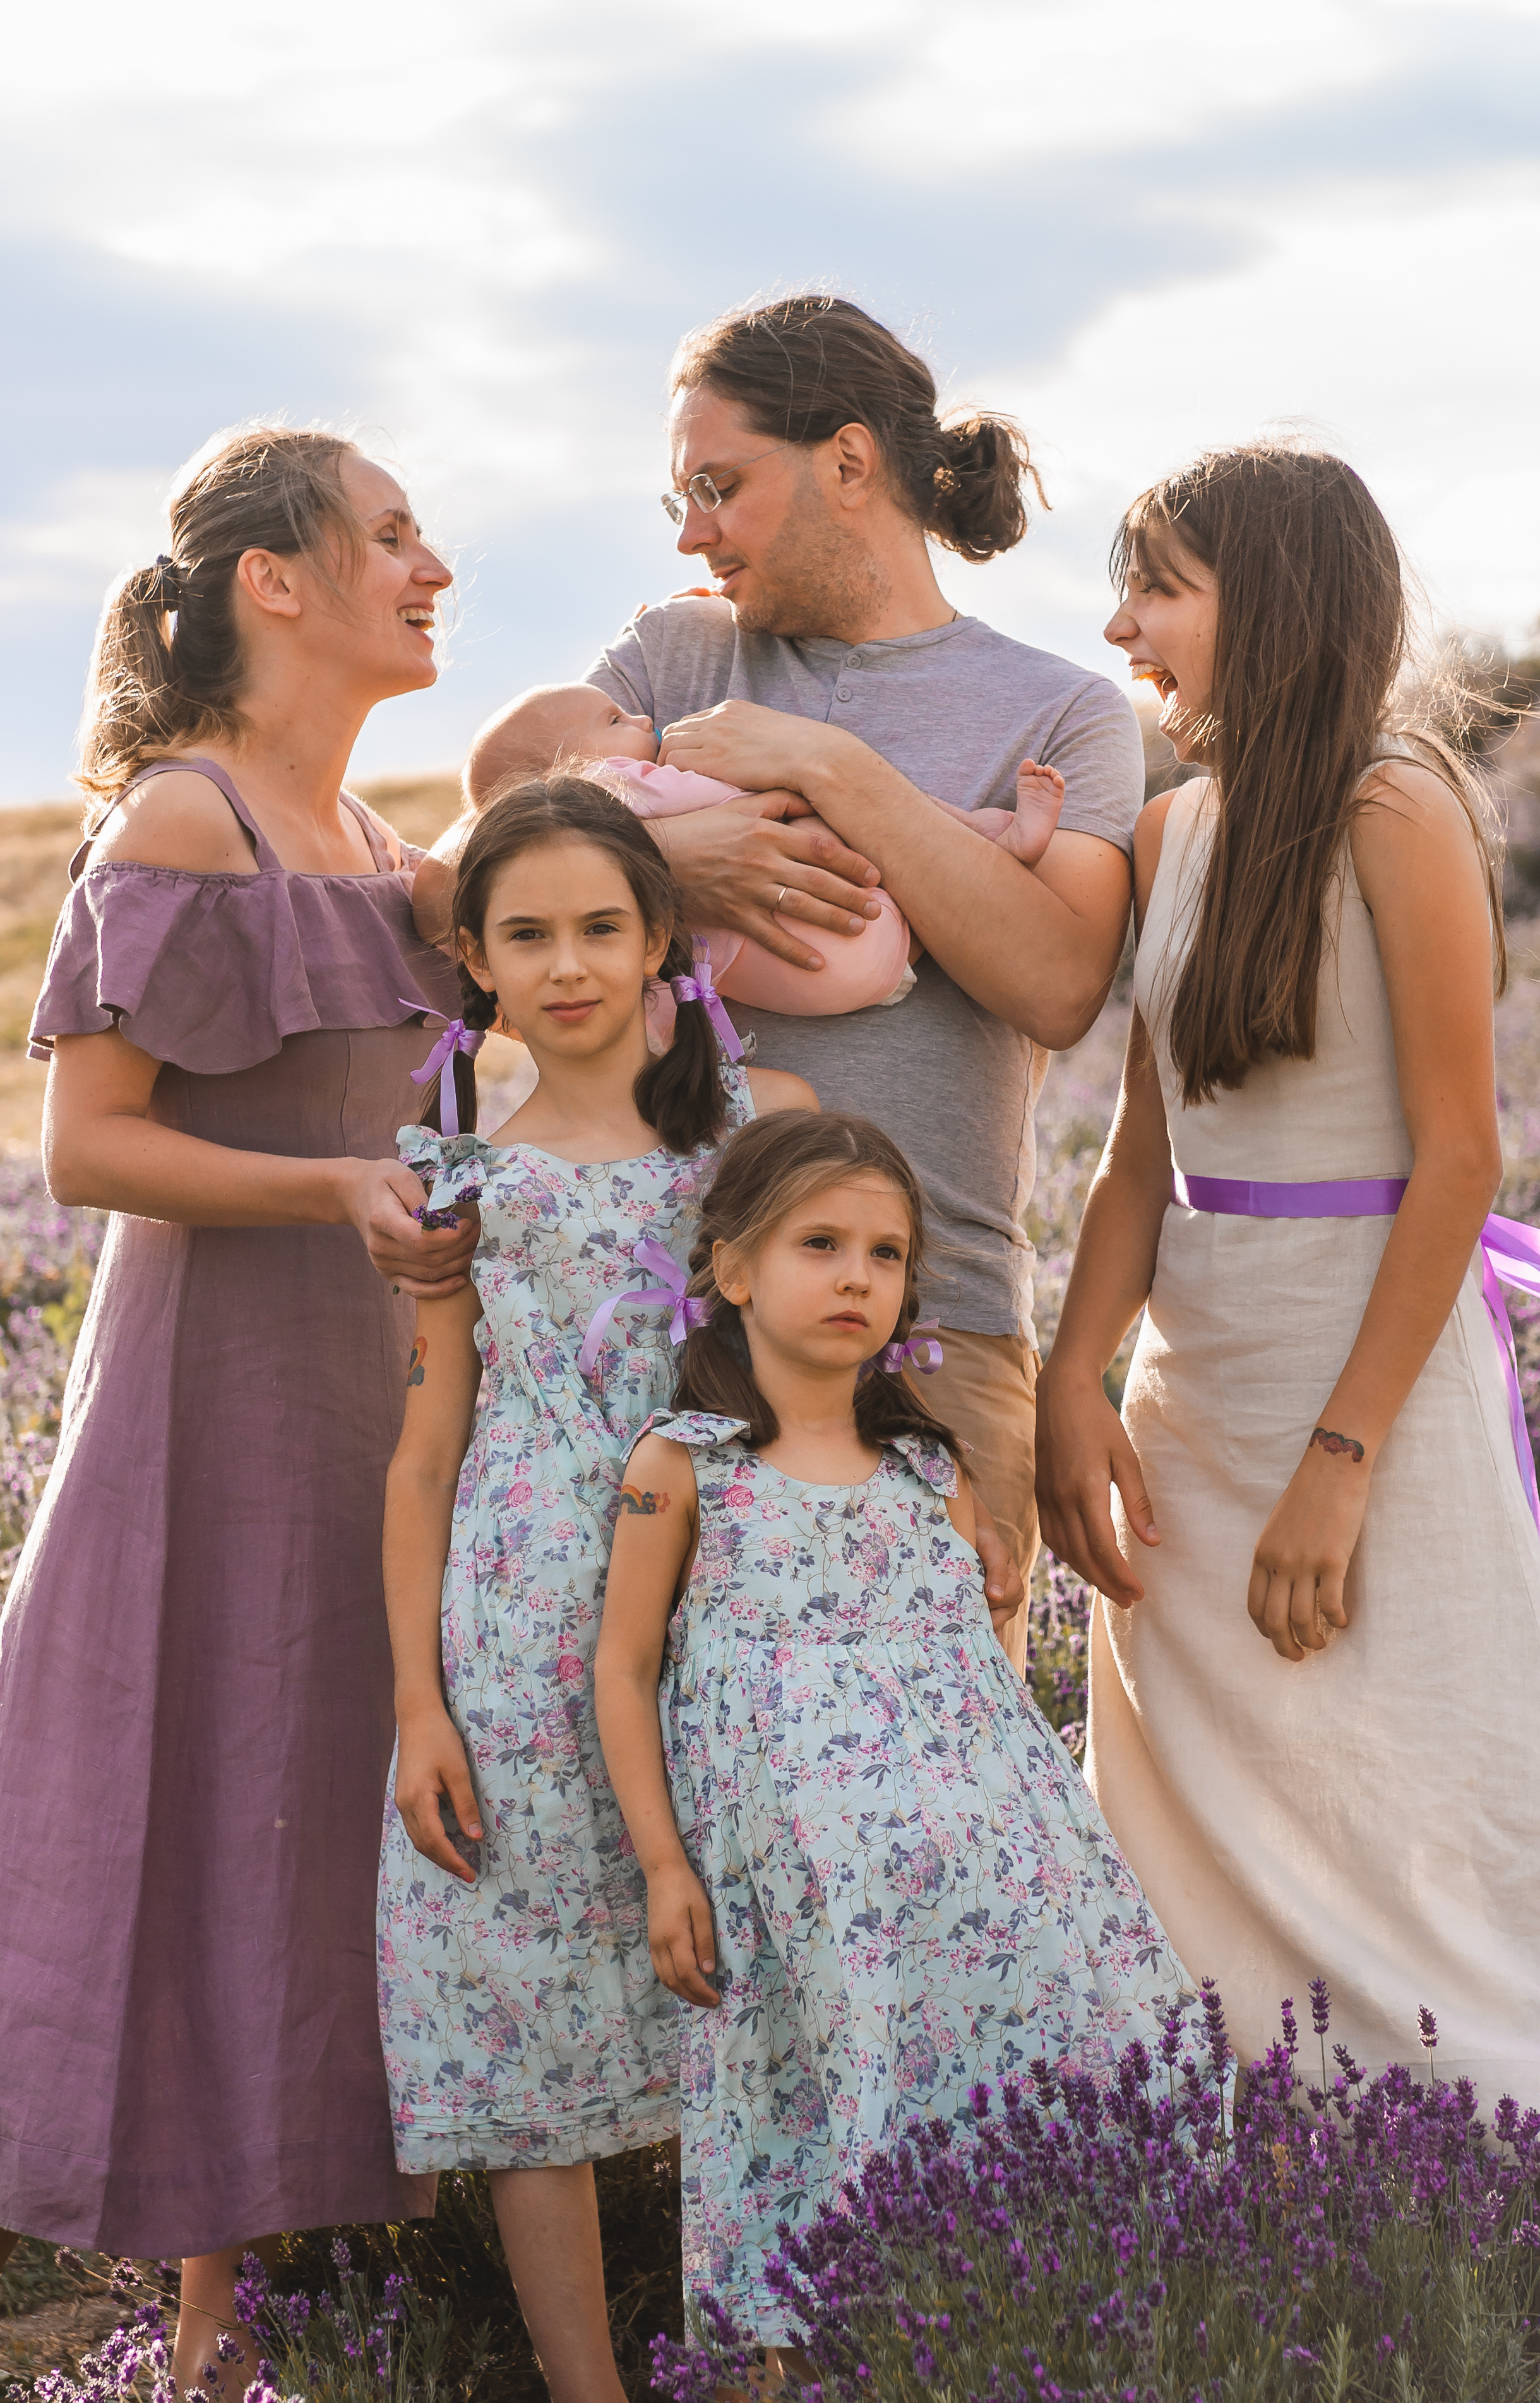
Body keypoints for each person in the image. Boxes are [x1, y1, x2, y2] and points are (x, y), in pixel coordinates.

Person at [1033, 443, 1540, 2118]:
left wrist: (1342, 1459)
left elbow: (1464, 1156)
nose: (1123, 620)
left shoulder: (1395, 805)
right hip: (1193, 1376)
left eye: (1162, 586)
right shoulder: (1170, 826)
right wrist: (1075, 1379)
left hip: (1371, 1363)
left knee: (1414, 1725)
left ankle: (1484, 2101)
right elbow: (1141, 1158)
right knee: (1206, 1766)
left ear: (1269, 604)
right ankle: (1261, 2122)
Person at [0, 425, 475, 2392]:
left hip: (387, 1395)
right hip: (219, 1400)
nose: (428, 559)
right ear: (271, 580)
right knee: (217, 1793)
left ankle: (376, 2264)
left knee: (350, 1809)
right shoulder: (187, 822)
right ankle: (207, 2336)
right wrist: (336, 1191)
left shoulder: (380, 851)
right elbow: (85, 1145)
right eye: (386, 532)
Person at [464, 294, 1147, 1657]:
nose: (689, 532)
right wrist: (683, 874)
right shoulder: (672, 656)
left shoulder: (1061, 712)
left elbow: (1058, 982)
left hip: (929, 1335)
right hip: (648, 1315)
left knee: (925, 1817)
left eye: (719, 486)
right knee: (639, 1818)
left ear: (848, 463)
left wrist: (836, 772)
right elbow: (475, 871)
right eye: (679, 495)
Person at [594, 1110, 1195, 2359]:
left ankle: (1019, 2294)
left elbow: (976, 1684)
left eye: (885, 1253)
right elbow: (626, 1668)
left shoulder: (928, 1464)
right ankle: (811, 2338)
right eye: (821, 1243)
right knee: (826, 2098)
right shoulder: (683, 1463)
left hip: (971, 1854)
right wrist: (662, 1863)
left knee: (1084, 2028)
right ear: (734, 1268)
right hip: (803, 1878)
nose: (858, 1276)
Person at [377, 777, 821, 2401]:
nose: (567, 963)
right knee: (518, 1981)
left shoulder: (749, 1126)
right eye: (526, 934)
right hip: (511, 1610)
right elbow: (424, 1451)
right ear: (478, 966)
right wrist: (419, 1696)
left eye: (601, 927)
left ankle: (771, 2351)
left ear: (658, 945)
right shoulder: (453, 1172)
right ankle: (588, 2385)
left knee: (753, 1954)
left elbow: (827, 1365)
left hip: (725, 1596)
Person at [466, 678, 1065, 1018]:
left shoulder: (1068, 706)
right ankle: (999, 836)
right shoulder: (615, 781)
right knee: (887, 814)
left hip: (823, 976)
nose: (645, 713)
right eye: (617, 716)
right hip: (843, 929)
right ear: (575, 764)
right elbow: (458, 872)